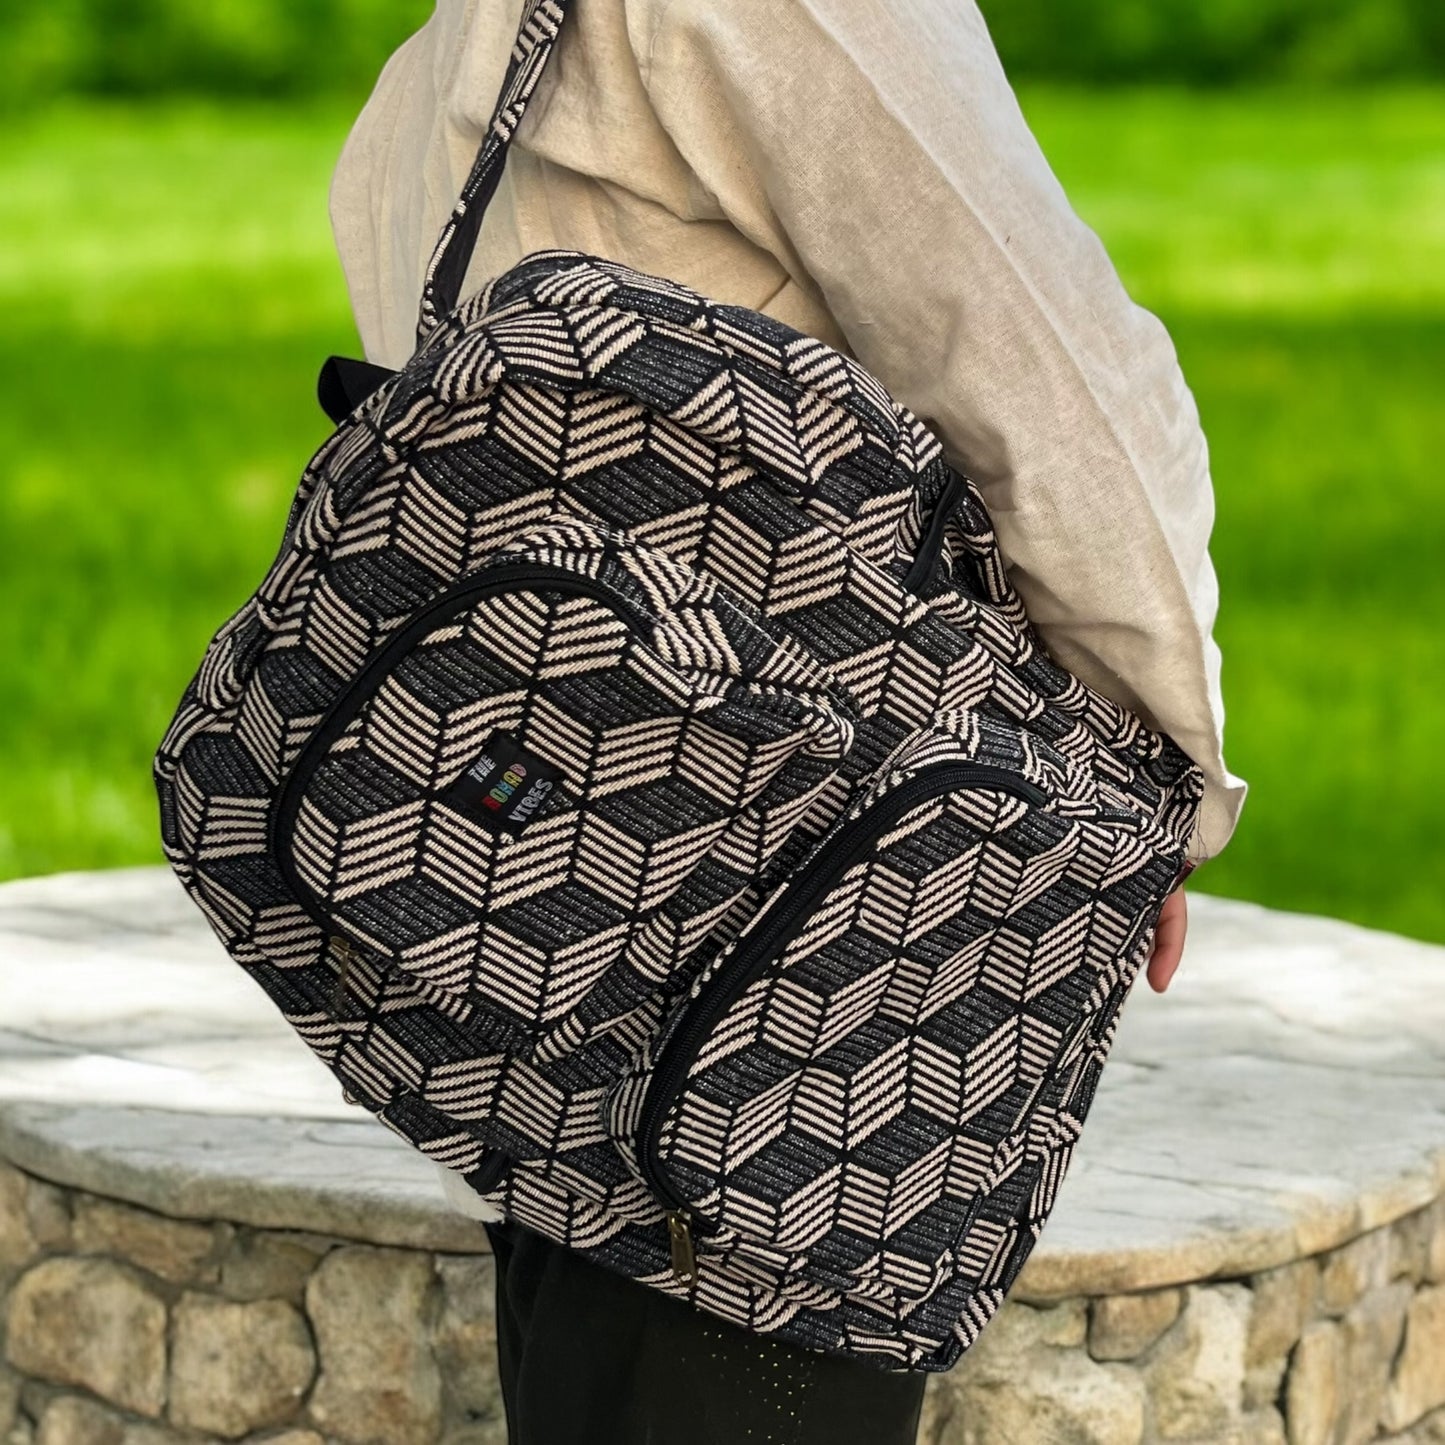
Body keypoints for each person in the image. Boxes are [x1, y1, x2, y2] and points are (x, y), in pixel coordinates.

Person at [328, 1, 1247, 1439]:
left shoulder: (457, 48)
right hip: (814, 948)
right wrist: (1150, 776)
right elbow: (1068, 404)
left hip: (547, 954)